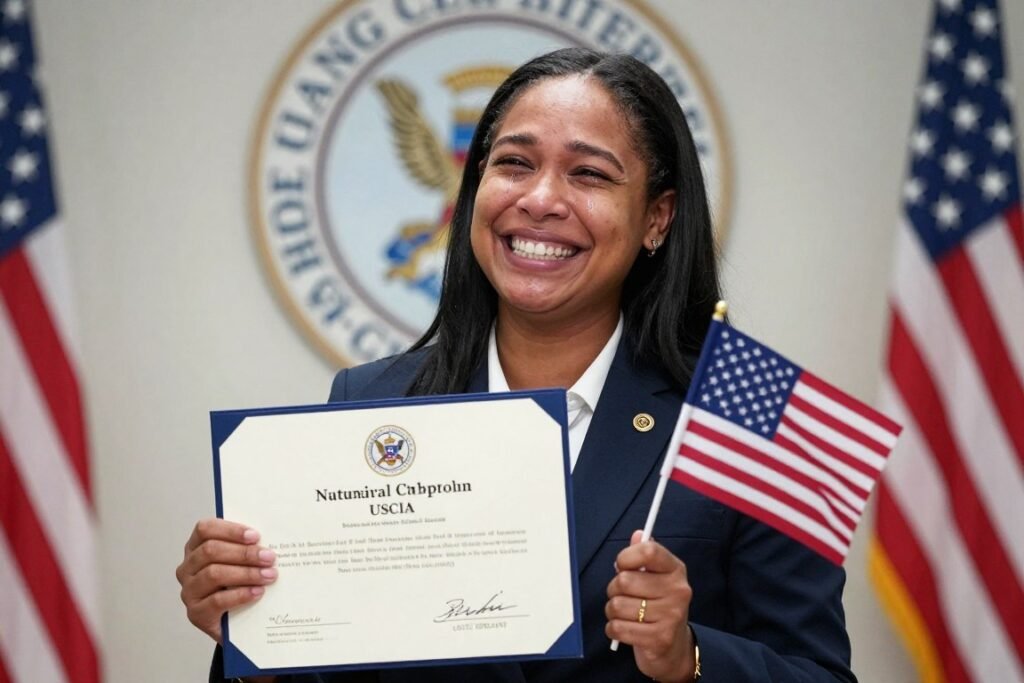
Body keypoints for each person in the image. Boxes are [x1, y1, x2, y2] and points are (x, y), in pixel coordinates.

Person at [177, 47, 856, 682]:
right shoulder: (372, 402)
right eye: (514, 163)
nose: (539, 199)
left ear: (658, 217)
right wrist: (251, 638)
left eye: (588, 174)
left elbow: (819, 672)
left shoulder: (744, 412)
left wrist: (691, 657)